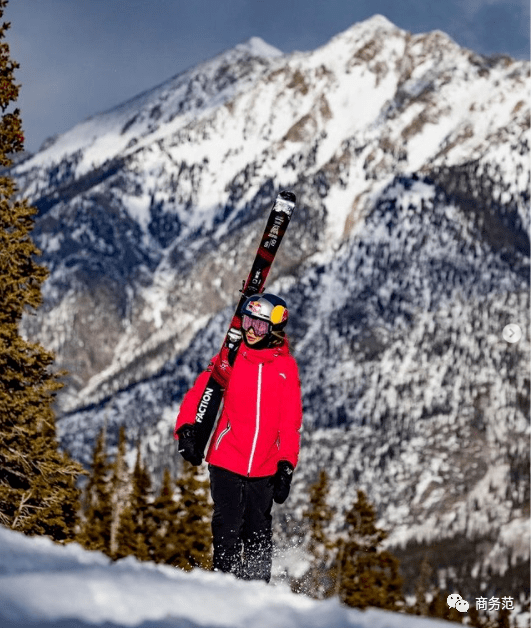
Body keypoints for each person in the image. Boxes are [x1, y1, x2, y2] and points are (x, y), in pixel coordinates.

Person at [174, 293, 303, 582]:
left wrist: (286, 465)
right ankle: (224, 588)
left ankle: (257, 592)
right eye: (247, 322)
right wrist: (186, 428)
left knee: (258, 532)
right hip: (226, 459)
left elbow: (290, 422)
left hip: (265, 467)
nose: (250, 330)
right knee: (228, 526)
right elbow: (200, 392)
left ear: (273, 330)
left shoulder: (285, 369)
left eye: (258, 326)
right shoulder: (230, 358)